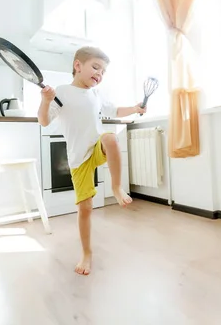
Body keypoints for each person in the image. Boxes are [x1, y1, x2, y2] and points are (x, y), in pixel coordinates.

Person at [37, 46, 146, 275]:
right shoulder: (63, 92)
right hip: (79, 159)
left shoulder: (97, 95)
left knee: (110, 138)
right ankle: (87, 253)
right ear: (78, 66)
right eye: (96, 67)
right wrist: (46, 100)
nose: (100, 74)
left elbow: (115, 110)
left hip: (97, 147)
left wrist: (135, 108)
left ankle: (116, 187)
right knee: (85, 209)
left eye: (103, 71)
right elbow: (44, 121)